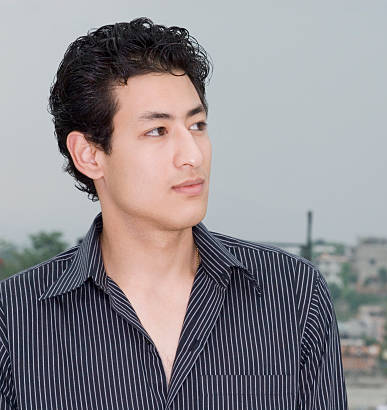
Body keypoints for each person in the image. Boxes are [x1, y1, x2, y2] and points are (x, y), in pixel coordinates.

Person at [0, 18, 347, 409]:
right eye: (157, 131)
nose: (193, 155)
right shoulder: (15, 320)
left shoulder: (294, 295)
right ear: (90, 154)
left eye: (197, 125)